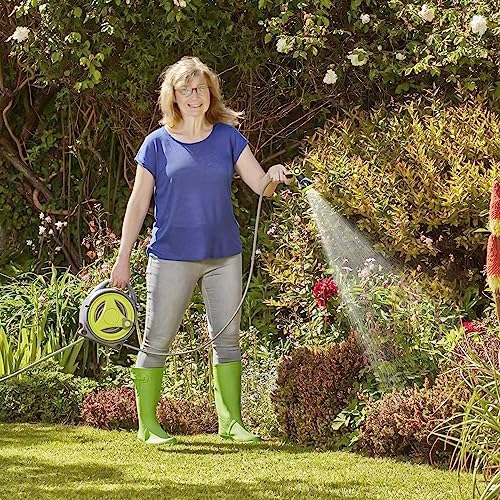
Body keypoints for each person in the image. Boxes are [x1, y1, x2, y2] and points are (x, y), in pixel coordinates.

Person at [110, 56, 291, 445]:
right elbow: (138, 204)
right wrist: (123, 258)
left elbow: (261, 186)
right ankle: (148, 426)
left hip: (223, 256)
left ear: (211, 93)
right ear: (173, 96)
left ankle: (231, 423)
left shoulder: (228, 138)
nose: (195, 96)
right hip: (171, 257)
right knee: (156, 340)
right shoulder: (156, 144)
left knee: (228, 339)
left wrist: (274, 176)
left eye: (201, 88)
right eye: (186, 89)